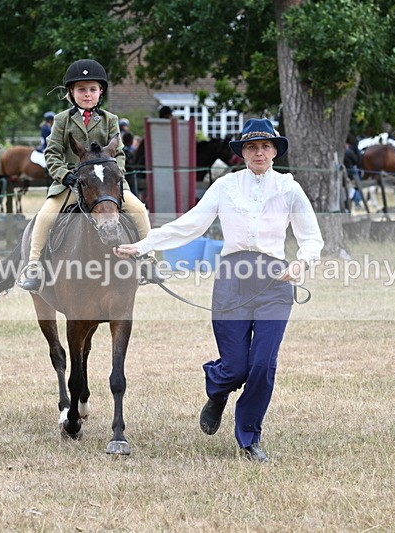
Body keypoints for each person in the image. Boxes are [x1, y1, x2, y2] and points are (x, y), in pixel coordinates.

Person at [114, 118, 323, 462]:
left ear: (274, 151)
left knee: (263, 365)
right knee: (236, 366)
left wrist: (302, 262)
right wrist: (143, 245)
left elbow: (311, 237)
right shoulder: (226, 186)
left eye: (265, 146)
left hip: (275, 282)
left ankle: (249, 438)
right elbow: (191, 224)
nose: (259, 153)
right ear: (242, 152)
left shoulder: (289, 189)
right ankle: (218, 387)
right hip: (232, 279)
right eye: (251, 147)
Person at [18, 58, 158, 291]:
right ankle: (33, 265)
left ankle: (148, 259)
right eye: (81, 89)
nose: (87, 94)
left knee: (139, 210)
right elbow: (52, 153)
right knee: (45, 215)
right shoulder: (62, 120)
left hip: (107, 184)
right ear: (71, 92)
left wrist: (114, 176)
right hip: (72, 184)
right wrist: (64, 175)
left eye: (92, 89)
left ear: (100, 92)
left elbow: (119, 154)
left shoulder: (110, 120)